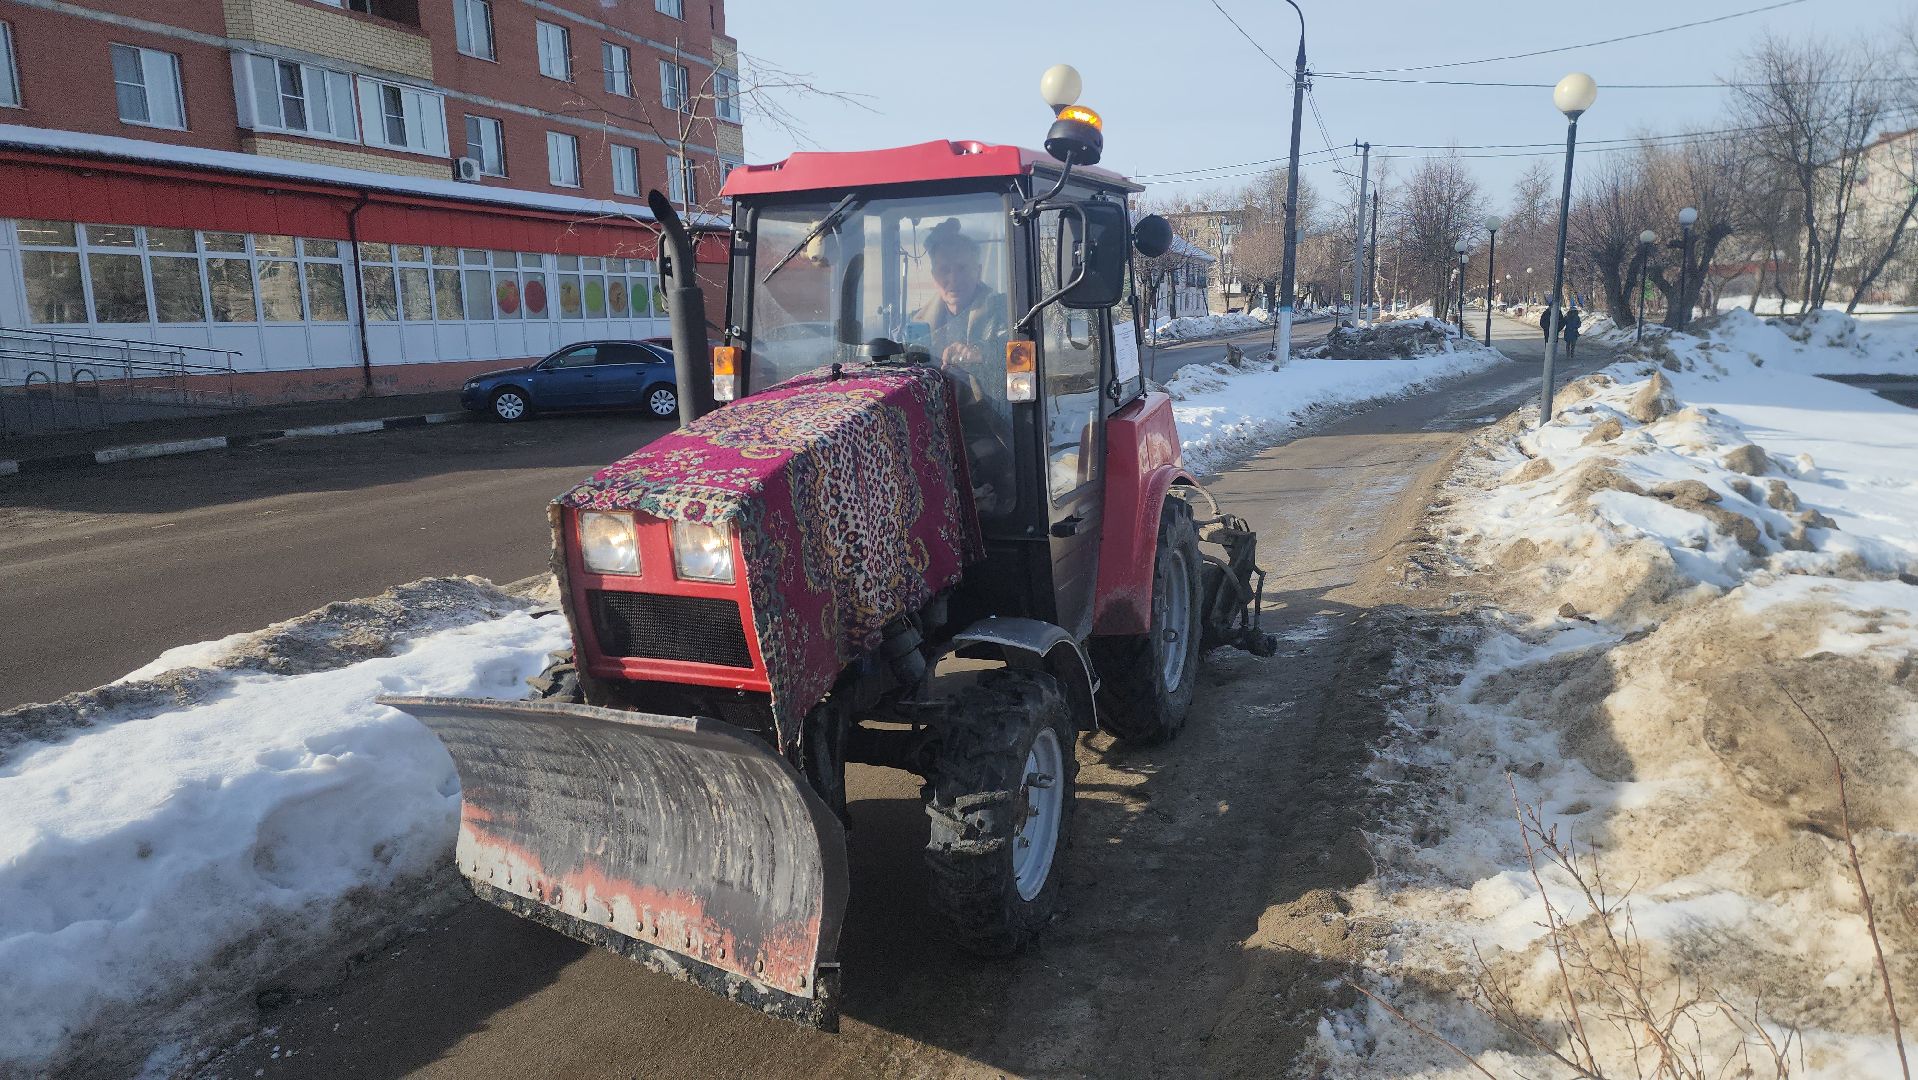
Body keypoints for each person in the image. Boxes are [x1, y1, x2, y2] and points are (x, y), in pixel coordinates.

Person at [912, 218, 1013, 513]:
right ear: (934, 276)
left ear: (978, 271)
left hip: (993, 426)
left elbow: (1026, 364)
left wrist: (982, 355)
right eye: (945, 270)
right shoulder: (917, 323)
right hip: (933, 427)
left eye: (962, 268)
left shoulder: (1007, 313)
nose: (953, 279)